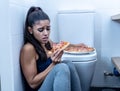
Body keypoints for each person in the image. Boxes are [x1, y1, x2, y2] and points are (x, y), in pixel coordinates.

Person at [20, 6, 82, 91]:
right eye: (41, 30)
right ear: (30, 30)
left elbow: (59, 45)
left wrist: (77, 46)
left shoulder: (47, 42)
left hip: (47, 85)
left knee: (68, 64)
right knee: (61, 68)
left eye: (48, 29)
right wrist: (53, 65)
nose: (46, 33)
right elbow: (32, 83)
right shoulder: (28, 48)